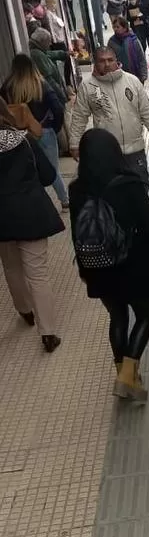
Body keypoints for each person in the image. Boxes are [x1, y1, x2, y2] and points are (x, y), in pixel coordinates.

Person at [69, 128, 149, 400]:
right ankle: (127, 376)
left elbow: (77, 232)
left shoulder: (77, 190)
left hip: (97, 266)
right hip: (133, 264)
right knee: (146, 315)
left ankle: (123, 371)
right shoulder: (128, 185)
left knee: (118, 316)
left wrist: (84, 270)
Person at [0, 98, 63, 353]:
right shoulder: (23, 140)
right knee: (37, 274)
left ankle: (25, 311)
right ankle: (48, 333)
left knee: (11, 268)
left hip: (2, 219)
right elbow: (48, 175)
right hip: (31, 213)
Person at [70, 45, 149, 185]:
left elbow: (147, 112)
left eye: (110, 60)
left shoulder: (132, 81)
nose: (107, 64)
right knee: (112, 191)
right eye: (102, 61)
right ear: (95, 62)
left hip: (135, 149)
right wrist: (74, 143)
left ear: (116, 61)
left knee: (141, 186)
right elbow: (79, 117)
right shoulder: (87, 86)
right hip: (107, 153)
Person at [2, 53, 69, 213]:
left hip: (20, 135)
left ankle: (38, 205)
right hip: (43, 131)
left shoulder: (7, 87)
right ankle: (65, 201)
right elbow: (58, 108)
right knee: (51, 169)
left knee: (28, 170)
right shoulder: (40, 84)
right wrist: (54, 126)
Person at [28, 28, 67, 103]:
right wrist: (62, 97)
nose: (50, 44)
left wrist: (64, 54)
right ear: (42, 42)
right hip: (51, 95)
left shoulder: (40, 51)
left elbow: (50, 54)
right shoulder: (37, 55)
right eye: (48, 41)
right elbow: (49, 80)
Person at [109, 16, 148, 83]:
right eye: (114, 27)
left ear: (124, 28)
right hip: (119, 76)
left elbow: (141, 58)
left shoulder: (134, 40)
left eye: (118, 27)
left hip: (136, 76)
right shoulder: (112, 42)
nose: (115, 29)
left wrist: (143, 75)